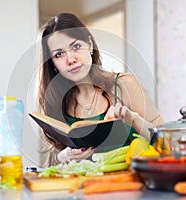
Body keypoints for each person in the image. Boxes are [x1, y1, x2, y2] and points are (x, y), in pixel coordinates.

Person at [36, 12, 164, 167]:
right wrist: (63, 157)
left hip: (133, 185)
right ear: (53, 64)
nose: (70, 60)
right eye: (59, 54)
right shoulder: (57, 103)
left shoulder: (124, 85)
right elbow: (56, 165)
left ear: (89, 45)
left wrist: (133, 118)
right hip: (84, 188)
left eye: (76, 46)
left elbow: (164, 143)